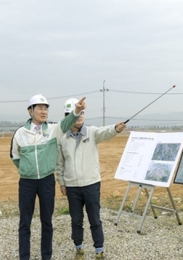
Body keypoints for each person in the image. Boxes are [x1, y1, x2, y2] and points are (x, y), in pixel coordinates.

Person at [10, 94, 86, 260]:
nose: (43, 111)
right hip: (27, 183)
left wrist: (76, 111)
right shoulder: (20, 133)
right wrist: (27, 169)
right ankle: (24, 256)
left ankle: (47, 256)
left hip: (46, 181)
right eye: (39, 108)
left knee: (47, 222)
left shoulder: (53, 129)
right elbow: (15, 157)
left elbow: (66, 123)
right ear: (30, 111)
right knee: (25, 222)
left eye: (46, 108)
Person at [55, 98, 126, 260]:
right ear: (68, 116)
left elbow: (106, 132)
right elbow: (59, 164)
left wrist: (116, 128)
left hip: (91, 184)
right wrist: (62, 183)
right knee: (76, 219)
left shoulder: (92, 132)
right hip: (72, 186)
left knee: (95, 218)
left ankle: (99, 249)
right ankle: (78, 248)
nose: (80, 116)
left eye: (82, 113)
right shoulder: (62, 138)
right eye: (75, 113)